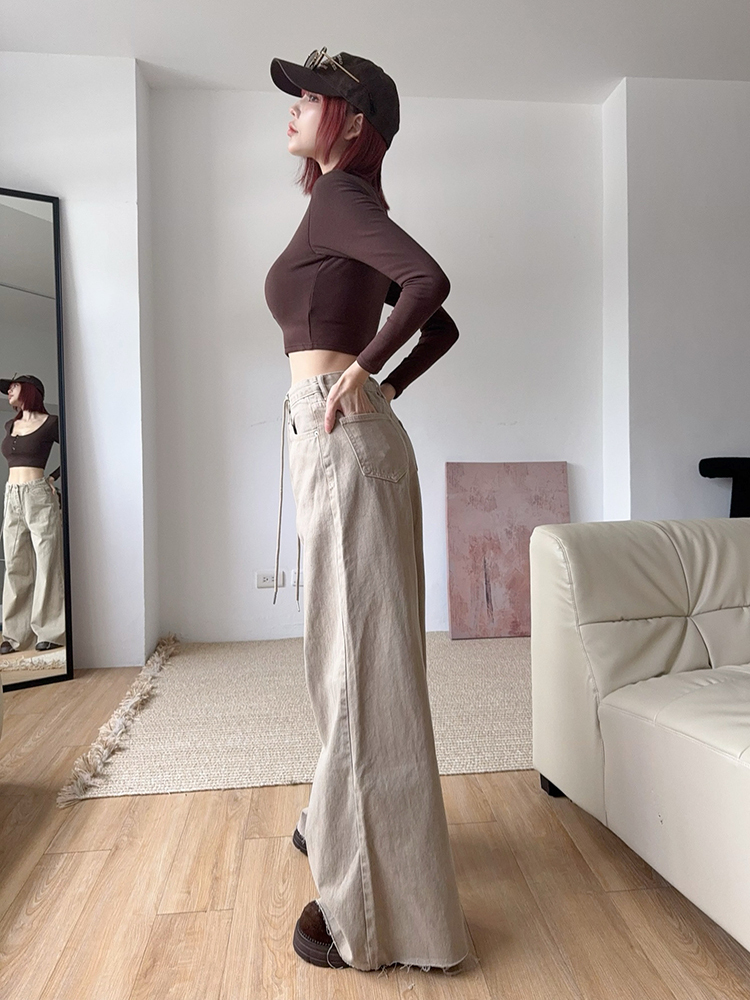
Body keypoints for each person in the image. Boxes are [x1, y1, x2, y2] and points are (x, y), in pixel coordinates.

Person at [265, 49, 477, 974]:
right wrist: (377, 387)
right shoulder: (344, 205)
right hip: (343, 434)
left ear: (352, 121)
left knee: (356, 668)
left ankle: (368, 915)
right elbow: (441, 326)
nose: (294, 108)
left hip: (338, 434)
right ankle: (340, 817)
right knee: (355, 657)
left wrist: (362, 376)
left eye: (311, 97)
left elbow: (432, 290)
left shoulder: (340, 200)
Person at [0, 374, 65, 655]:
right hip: (11, 495)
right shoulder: (10, 425)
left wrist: (53, 477)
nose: (8, 391)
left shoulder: (51, 423)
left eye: (13, 386)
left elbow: (76, 452)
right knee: (16, 563)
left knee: (47, 562)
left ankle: (49, 632)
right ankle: (14, 636)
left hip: (38, 494)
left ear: (29, 390)